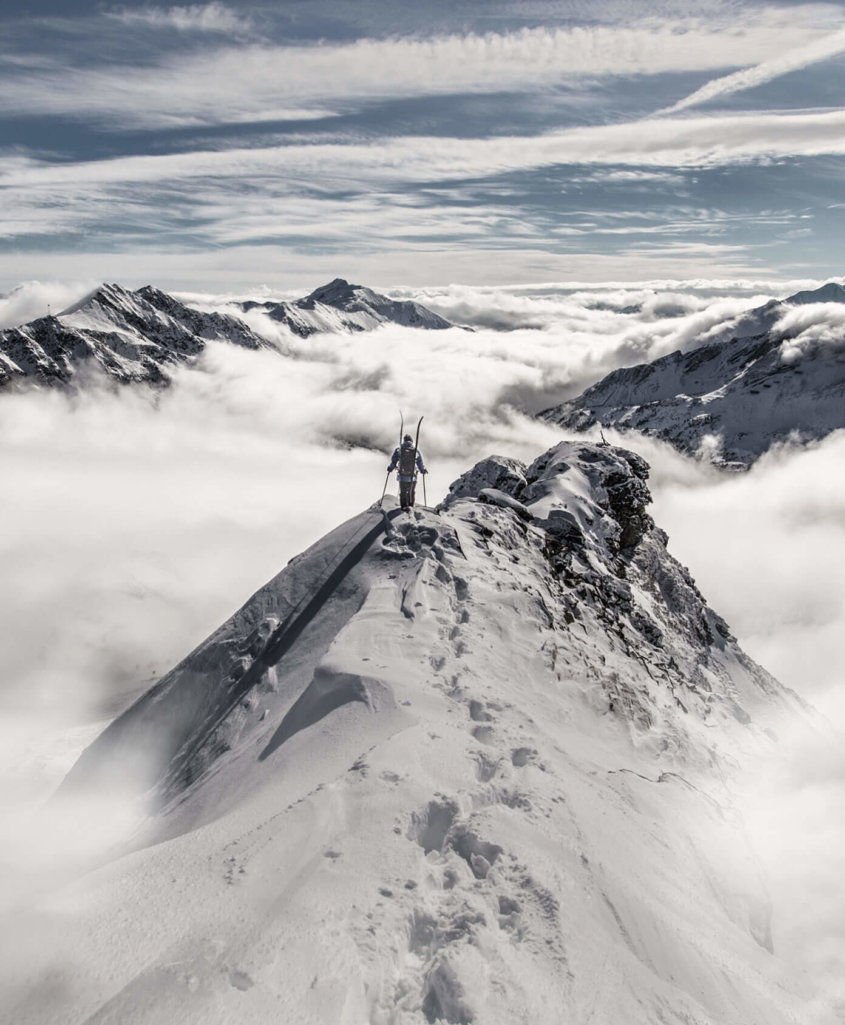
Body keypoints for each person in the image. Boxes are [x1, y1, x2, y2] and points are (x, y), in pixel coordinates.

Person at [388, 433, 427, 510]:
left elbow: (394, 461)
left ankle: (404, 507)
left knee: (403, 492)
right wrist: (422, 470)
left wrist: (390, 468)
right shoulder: (415, 451)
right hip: (413, 476)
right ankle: (411, 506)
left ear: (404, 440)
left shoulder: (399, 450)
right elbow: (419, 463)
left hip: (402, 476)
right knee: (411, 491)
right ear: (411, 441)